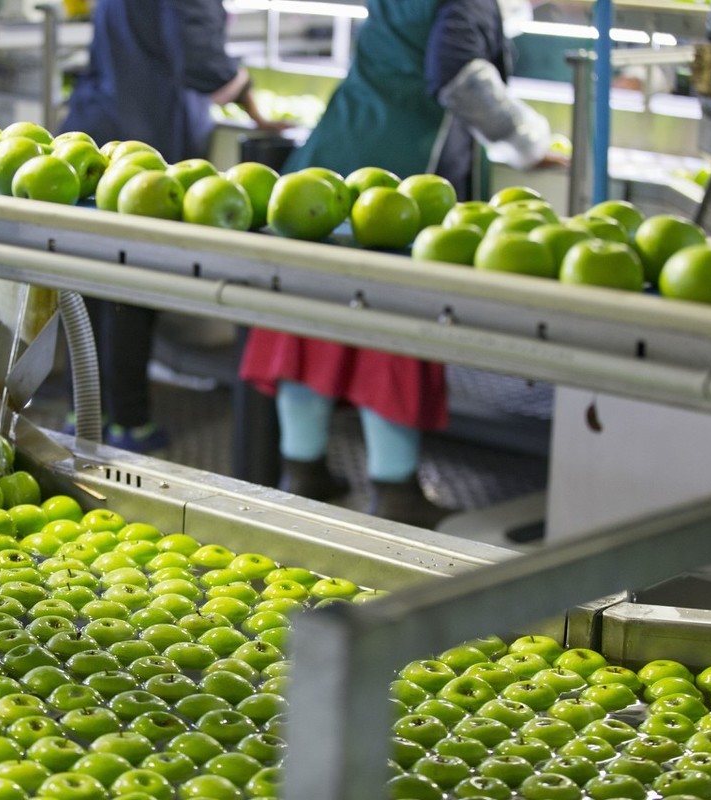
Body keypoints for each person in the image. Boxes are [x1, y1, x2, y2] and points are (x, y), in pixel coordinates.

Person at [239, 0, 559, 527]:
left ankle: (303, 469)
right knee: (390, 329)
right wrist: (527, 141)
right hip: (398, 180)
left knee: (306, 315)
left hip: (330, 156)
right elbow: (458, 75)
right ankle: (394, 489)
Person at [59, 0, 281, 452]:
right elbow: (202, 61)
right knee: (131, 286)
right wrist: (253, 105)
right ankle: (129, 423)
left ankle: (84, 412)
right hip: (145, 145)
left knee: (88, 279)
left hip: (94, 131)